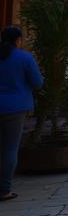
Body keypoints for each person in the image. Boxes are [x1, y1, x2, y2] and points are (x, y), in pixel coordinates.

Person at [0, 26, 42, 201]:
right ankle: (4, 189)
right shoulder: (23, 58)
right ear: (18, 40)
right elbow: (37, 82)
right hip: (15, 108)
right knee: (10, 148)